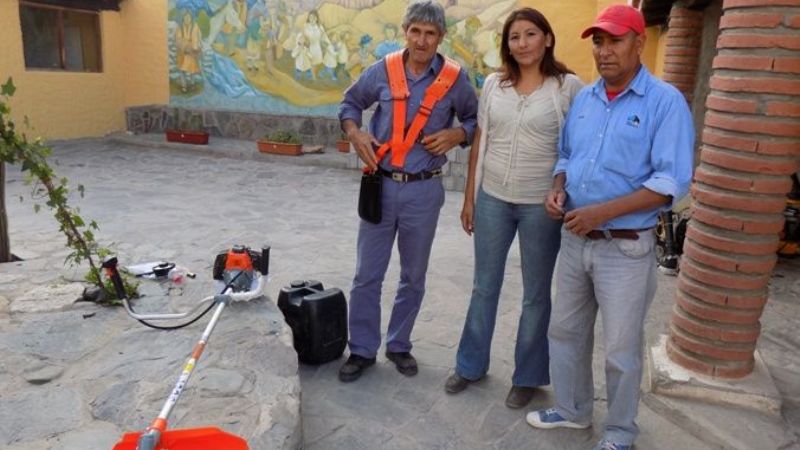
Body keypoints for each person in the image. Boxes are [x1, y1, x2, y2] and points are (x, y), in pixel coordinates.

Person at [525, 5, 694, 450]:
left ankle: (620, 432)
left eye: (614, 40)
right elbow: (566, 156)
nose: (604, 51)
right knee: (565, 331)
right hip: (574, 238)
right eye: (598, 41)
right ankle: (572, 411)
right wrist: (557, 189)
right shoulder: (585, 99)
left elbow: (668, 183)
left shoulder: (665, 102)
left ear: (640, 43)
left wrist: (602, 212)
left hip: (625, 248)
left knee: (620, 350)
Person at [443, 8, 583, 409]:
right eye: (514, 37)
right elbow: (481, 143)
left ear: (548, 39)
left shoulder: (567, 87)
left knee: (536, 294)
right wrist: (470, 197)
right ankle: (470, 365)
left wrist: (560, 189)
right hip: (493, 199)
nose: (521, 44)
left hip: (541, 205)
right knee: (484, 285)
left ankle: (528, 376)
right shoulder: (494, 85)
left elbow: (575, 147)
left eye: (530, 34)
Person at [337, 0, 478, 383]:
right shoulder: (382, 70)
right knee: (367, 274)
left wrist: (457, 133)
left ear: (441, 37)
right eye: (415, 31)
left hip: (424, 191)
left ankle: (399, 345)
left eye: (430, 33)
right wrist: (355, 132)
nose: (421, 40)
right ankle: (362, 349)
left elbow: (473, 118)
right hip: (380, 185)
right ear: (405, 32)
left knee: (413, 275)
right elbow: (349, 104)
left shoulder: (454, 78)